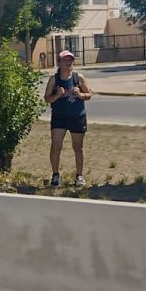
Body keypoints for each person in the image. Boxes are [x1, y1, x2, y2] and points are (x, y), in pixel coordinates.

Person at [43, 50, 91, 188]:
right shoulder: (54, 79)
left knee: (78, 147)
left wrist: (80, 94)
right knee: (56, 146)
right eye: (65, 60)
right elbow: (47, 99)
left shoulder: (78, 78)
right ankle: (55, 175)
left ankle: (79, 176)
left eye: (70, 60)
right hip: (59, 117)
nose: (68, 63)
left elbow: (89, 95)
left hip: (77, 116)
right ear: (59, 62)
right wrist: (57, 95)